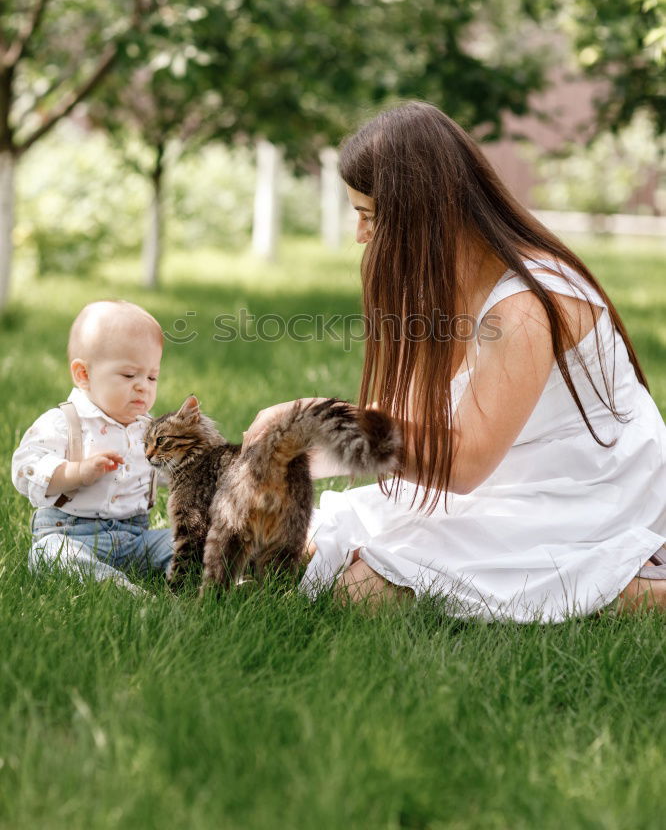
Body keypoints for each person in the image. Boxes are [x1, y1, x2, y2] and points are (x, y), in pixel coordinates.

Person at [243, 101, 666, 621]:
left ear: (423, 213)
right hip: (512, 479)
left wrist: (320, 417)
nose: (360, 234)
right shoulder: (443, 284)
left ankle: (633, 582)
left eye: (368, 215)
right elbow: (415, 421)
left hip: (584, 493)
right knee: (300, 545)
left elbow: (463, 464)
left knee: (363, 589)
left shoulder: (527, 307)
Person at [12, 299, 172, 594]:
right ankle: (120, 590)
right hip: (71, 536)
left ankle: (230, 578)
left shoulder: (150, 430)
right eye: (129, 375)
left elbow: (175, 472)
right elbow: (25, 468)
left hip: (137, 541)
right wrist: (76, 472)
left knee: (191, 541)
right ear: (83, 374)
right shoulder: (64, 422)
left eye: (152, 377)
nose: (143, 386)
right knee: (48, 554)